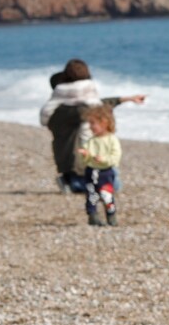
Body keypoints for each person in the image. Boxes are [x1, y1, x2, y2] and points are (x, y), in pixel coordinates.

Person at [39, 58, 144, 193]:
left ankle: (70, 181)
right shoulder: (70, 112)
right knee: (112, 185)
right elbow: (95, 108)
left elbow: (98, 105)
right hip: (76, 165)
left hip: (68, 162)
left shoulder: (53, 110)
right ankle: (71, 183)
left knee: (109, 181)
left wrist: (128, 98)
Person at [78, 105, 122, 227]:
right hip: (91, 171)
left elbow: (115, 156)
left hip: (105, 172)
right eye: (90, 123)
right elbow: (87, 155)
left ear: (104, 123)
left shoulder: (111, 139)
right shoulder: (92, 140)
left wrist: (104, 159)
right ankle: (93, 216)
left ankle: (111, 215)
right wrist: (85, 154)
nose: (91, 127)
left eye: (93, 123)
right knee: (91, 194)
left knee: (106, 195)